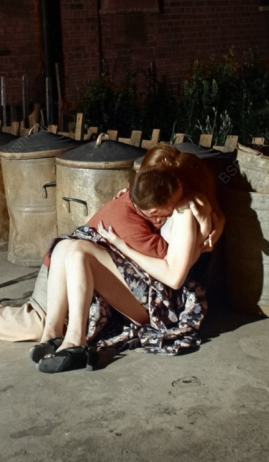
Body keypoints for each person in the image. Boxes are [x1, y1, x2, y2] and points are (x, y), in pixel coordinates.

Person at [32, 144, 224, 374]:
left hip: (162, 303)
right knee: (65, 245)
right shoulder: (168, 202)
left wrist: (124, 247)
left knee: (79, 251)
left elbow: (173, 278)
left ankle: (75, 342)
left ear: (179, 184)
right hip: (146, 282)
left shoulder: (185, 211)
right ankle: (52, 335)